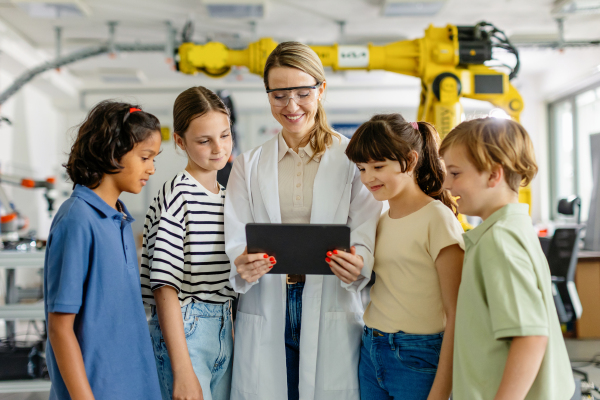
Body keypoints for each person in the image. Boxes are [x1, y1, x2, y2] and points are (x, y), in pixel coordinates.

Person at [224, 41, 382, 400]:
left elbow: (367, 229)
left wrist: (360, 261)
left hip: (332, 302)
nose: (291, 106)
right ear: (268, 96)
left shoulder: (353, 159)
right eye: (279, 95)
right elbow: (235, 234)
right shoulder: (248, 165)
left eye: (302, 92)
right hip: (267, 303)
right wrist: (242, 262)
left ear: (321, 90)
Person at [440, 117, 575, 400]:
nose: (447, 185)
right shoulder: (513, 227)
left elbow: (531, 336)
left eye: (455, 173)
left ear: (493, 175)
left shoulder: (498, 241)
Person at [44, 101, 162, 400]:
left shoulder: (119, 218)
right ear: (113, 152)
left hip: (136, 385)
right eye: (145, 157)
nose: (152, 168)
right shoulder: (78, 218)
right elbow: (60, 329)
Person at [345, 114, 464, 400]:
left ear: (410, 161)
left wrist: (441, 391)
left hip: (417, 353)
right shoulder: (381, 220)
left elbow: (458, 314)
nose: (367, 177)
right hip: (371, 347)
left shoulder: (438, 219)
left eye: (378, 166)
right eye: (361, 168)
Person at [141, 86, 236, 400]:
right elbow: (163, 285)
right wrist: (183, 370)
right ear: (180, 142)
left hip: (223, 322)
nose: (218, 148)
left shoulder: (226, 198)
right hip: (186, 327)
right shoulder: (177, 194)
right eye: (204, 140)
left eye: (224, 135)